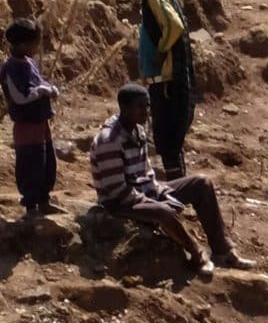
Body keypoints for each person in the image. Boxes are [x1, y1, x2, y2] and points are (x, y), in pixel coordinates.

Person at [90, 83, 252, 276]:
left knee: (202, 183)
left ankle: (223, 251)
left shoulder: (137, 130)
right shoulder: (109, 141)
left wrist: (161, 192)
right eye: (140, 107)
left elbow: (146, 175)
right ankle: (196, 253)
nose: (146, 112)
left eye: (147, 106)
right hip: (118, 203)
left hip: (142, 193)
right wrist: (155, 201)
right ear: (124, 108)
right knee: (163, 211)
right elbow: (118, 192)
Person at [131, 0, 198, 179]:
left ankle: (177, 190)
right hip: (163, 79)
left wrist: (161, 49)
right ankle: (179, 187)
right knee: (169, 140)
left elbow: (174, 26)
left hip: (166, 81)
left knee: (167, 136)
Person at [0, 18, 58, 216]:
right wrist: (41, 92)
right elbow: (19, 97)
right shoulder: (11, 68)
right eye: (35, 42)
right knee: (31, 162)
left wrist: (49, 89)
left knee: (47, 161)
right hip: (27, 124)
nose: (37, 46)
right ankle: (31, 206)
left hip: (40, 122)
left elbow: (38, 84)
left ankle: (44, 200)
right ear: (23, 44)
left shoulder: (28, 62)